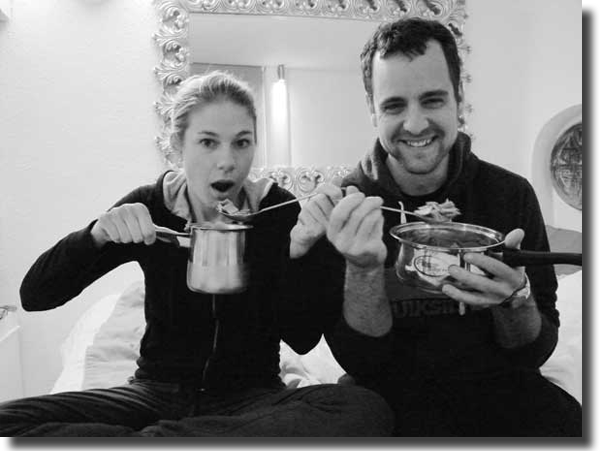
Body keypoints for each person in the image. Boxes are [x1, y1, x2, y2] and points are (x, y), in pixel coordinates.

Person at [0, 72, 393, 437]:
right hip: (154, 392)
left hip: (252, 397)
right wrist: (95, 235)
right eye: (208, 142)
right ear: (178, 146)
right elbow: (35, 296)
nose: (228, 161)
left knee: (364, 409)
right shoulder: (152, 206)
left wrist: (299, 254)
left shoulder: (278, 211)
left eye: (242, 142)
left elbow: (303, 339)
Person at [289, 18, 582, 437]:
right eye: (394, 106)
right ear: (372, 108)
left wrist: (514, 300)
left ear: (458, 98)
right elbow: (364, 363)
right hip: (389, 400)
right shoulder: (345, 207)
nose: (414, 124)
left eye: (432, 100)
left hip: (501, 391)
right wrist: (362, 269)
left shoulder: (510, 195)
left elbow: (533, 353)